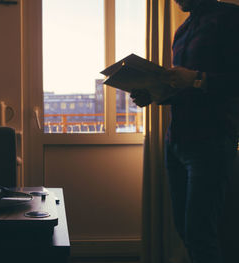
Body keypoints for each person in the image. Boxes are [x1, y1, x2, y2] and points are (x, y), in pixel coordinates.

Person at [131, 0, 239, 262]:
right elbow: (181, 88)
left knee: (200, 233)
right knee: (185, 230)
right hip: (176, 141)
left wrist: (197, 78)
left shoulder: (230, 18)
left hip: (211, 140)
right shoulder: (182, 30)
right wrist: (155, 93)